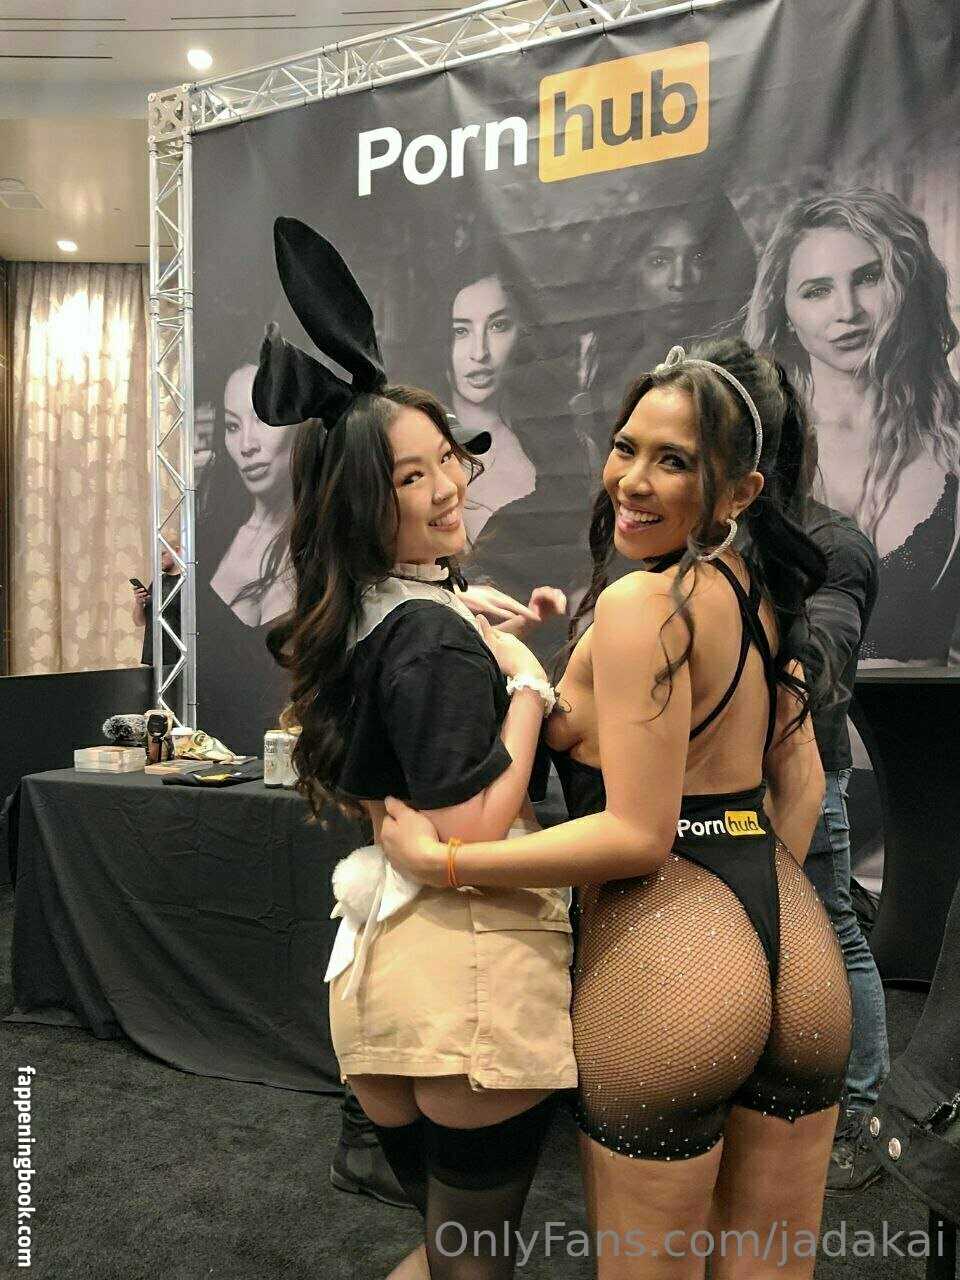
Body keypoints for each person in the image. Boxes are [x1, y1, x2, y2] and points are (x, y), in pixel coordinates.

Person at [383, 337, 853, 1279]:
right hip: (798, 953)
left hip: (670, 951)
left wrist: (448, 863)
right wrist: (752, 922)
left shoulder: (644, 603)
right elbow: (796, 783)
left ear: (739, 493)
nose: (633, 481)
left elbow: (639, 834)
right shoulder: (761, 593)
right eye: (627, 447)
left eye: (673, 461)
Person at [257, 217, 577, 1280]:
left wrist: (468, 620)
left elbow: (384, 752)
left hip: (386, 983)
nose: (447, 485)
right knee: (471, 1267)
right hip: (466, 975)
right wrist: (526, 686)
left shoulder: (364, 610)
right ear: (364, 501)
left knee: (445, 1258)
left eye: (447, 457)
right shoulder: (428, 633)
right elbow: (472, 825)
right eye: (410, 477)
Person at [744, 188, 960, 663]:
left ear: (908, 284)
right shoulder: (754, 443)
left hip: (929, 708)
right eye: (817, 290)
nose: (847, 311)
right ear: (786, 312)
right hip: (780, 709)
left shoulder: (953, 433)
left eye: (868, 277)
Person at [802, 493, 888, 1193]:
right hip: (722, 775)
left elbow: (821, 669)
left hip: (807, 765)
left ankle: (861, 1118)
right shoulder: (713, 537)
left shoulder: (833, 543)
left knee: (835, 929)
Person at [200, 360, 297, 629]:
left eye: (263, 418)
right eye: (233, 426)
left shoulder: (329, 547)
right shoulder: (209, 536)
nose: (246, 445)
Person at [132, 539, 182, 670]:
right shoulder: (157, 582)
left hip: (176, 657)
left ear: (177, 551)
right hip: (153, 656)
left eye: (163, 554)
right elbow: (140, 622)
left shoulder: (186, 582)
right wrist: (139, 603)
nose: (160, 559)